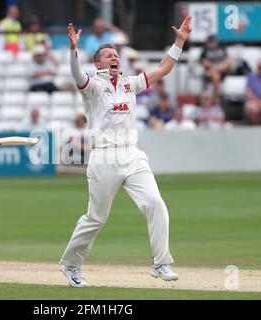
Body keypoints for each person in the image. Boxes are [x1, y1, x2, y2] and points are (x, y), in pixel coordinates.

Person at [60, 17, 192, 287]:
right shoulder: (94, 86)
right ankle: (71, 264)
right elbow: (76, 75)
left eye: (116, 55)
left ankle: (161, 263)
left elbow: (163, 69)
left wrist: (179, 40)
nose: (114, 58)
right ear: (98, 63)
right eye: (108, 55)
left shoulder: (131, 83)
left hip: (132, 155)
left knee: (155, 203)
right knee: (96, 217)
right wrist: (74, 49)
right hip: (104, 157)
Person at [200, 35, 232, 103]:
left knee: (228, 63)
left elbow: (228, 60)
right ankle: (216, 100)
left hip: (223, 70)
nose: (212, 43)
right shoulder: (205, 50)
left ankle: (216, 100)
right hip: (211, 72)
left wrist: (217, 67)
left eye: (213, 41)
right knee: (216, 76)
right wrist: (215, 67)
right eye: (210, 42)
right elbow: (204, 62)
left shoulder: (222, 48)